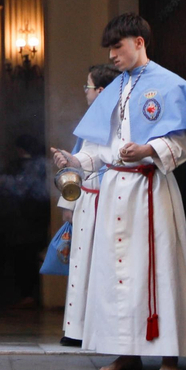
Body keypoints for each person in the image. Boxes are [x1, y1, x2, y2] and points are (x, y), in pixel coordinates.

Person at [56, 13, 186, 370]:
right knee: (116, 273)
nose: (112, 54)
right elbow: (101, 147)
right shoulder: (114, 90)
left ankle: (169, 354)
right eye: (109, 48)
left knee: (159, 269)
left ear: (139, 43)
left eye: (118, 46)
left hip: (150, 189)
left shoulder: (170, 85)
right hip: (114, 191)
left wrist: (148, 150)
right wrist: (74, 159)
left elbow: (184, 139)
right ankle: (125, 350)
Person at [55, 63, 119, 347]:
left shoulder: (115, 117)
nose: (85, 92)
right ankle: (76, 329)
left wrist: (73, 162)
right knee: (81, 267)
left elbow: (98, 159)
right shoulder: (91, 118)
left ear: (101, 91)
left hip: (102, 198)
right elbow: (80, 158)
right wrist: (68, 200)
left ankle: (91, 330)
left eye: (88, 87)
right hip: (85, 198)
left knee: (96, 266)